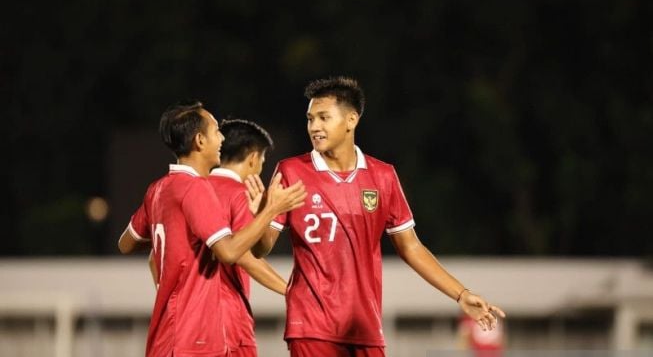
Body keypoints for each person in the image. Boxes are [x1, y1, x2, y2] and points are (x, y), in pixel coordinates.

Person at [252, 77, 506, 357]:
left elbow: (411, 247)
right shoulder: (291, 171)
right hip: (311, 325)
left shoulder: (382, 176)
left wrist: (461, 294)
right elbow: (261, 248)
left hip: (365, 326)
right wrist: (265, 213)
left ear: (351, 120)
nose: (314, 127)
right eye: (310, 118)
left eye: (324, 117)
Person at [117, 101, 306, 357]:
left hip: (165, 334)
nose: (221, 139)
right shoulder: (197, 188)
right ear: (199, 140)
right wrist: (271, 209)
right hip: (197, 335)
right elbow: (231, 253)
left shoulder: (158, 188)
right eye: (216, 131)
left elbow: (127, 244)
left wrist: (175, 248)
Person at [208, 119, 288, 356]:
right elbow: (244, 255)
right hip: (227, 321)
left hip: (189, 323)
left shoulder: (192, 189)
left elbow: (154, 258)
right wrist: (292, 290)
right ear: (253, 158)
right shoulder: (239, 193)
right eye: (262, 160)